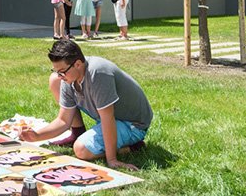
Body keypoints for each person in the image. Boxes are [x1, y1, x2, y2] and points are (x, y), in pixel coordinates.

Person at [20, 39, 152, 172]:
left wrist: (112, 159)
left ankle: (133, 146)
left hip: (133, 124)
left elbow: (108, 118)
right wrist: (37, 136)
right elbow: (63, 120)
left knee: (81, 150)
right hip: (109, 119)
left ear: (77, 64)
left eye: (62, 71)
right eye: (57, 71)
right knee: (54, 81)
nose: (60, 76)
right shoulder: (68, 77)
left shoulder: (98, 74)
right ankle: (80, 134)